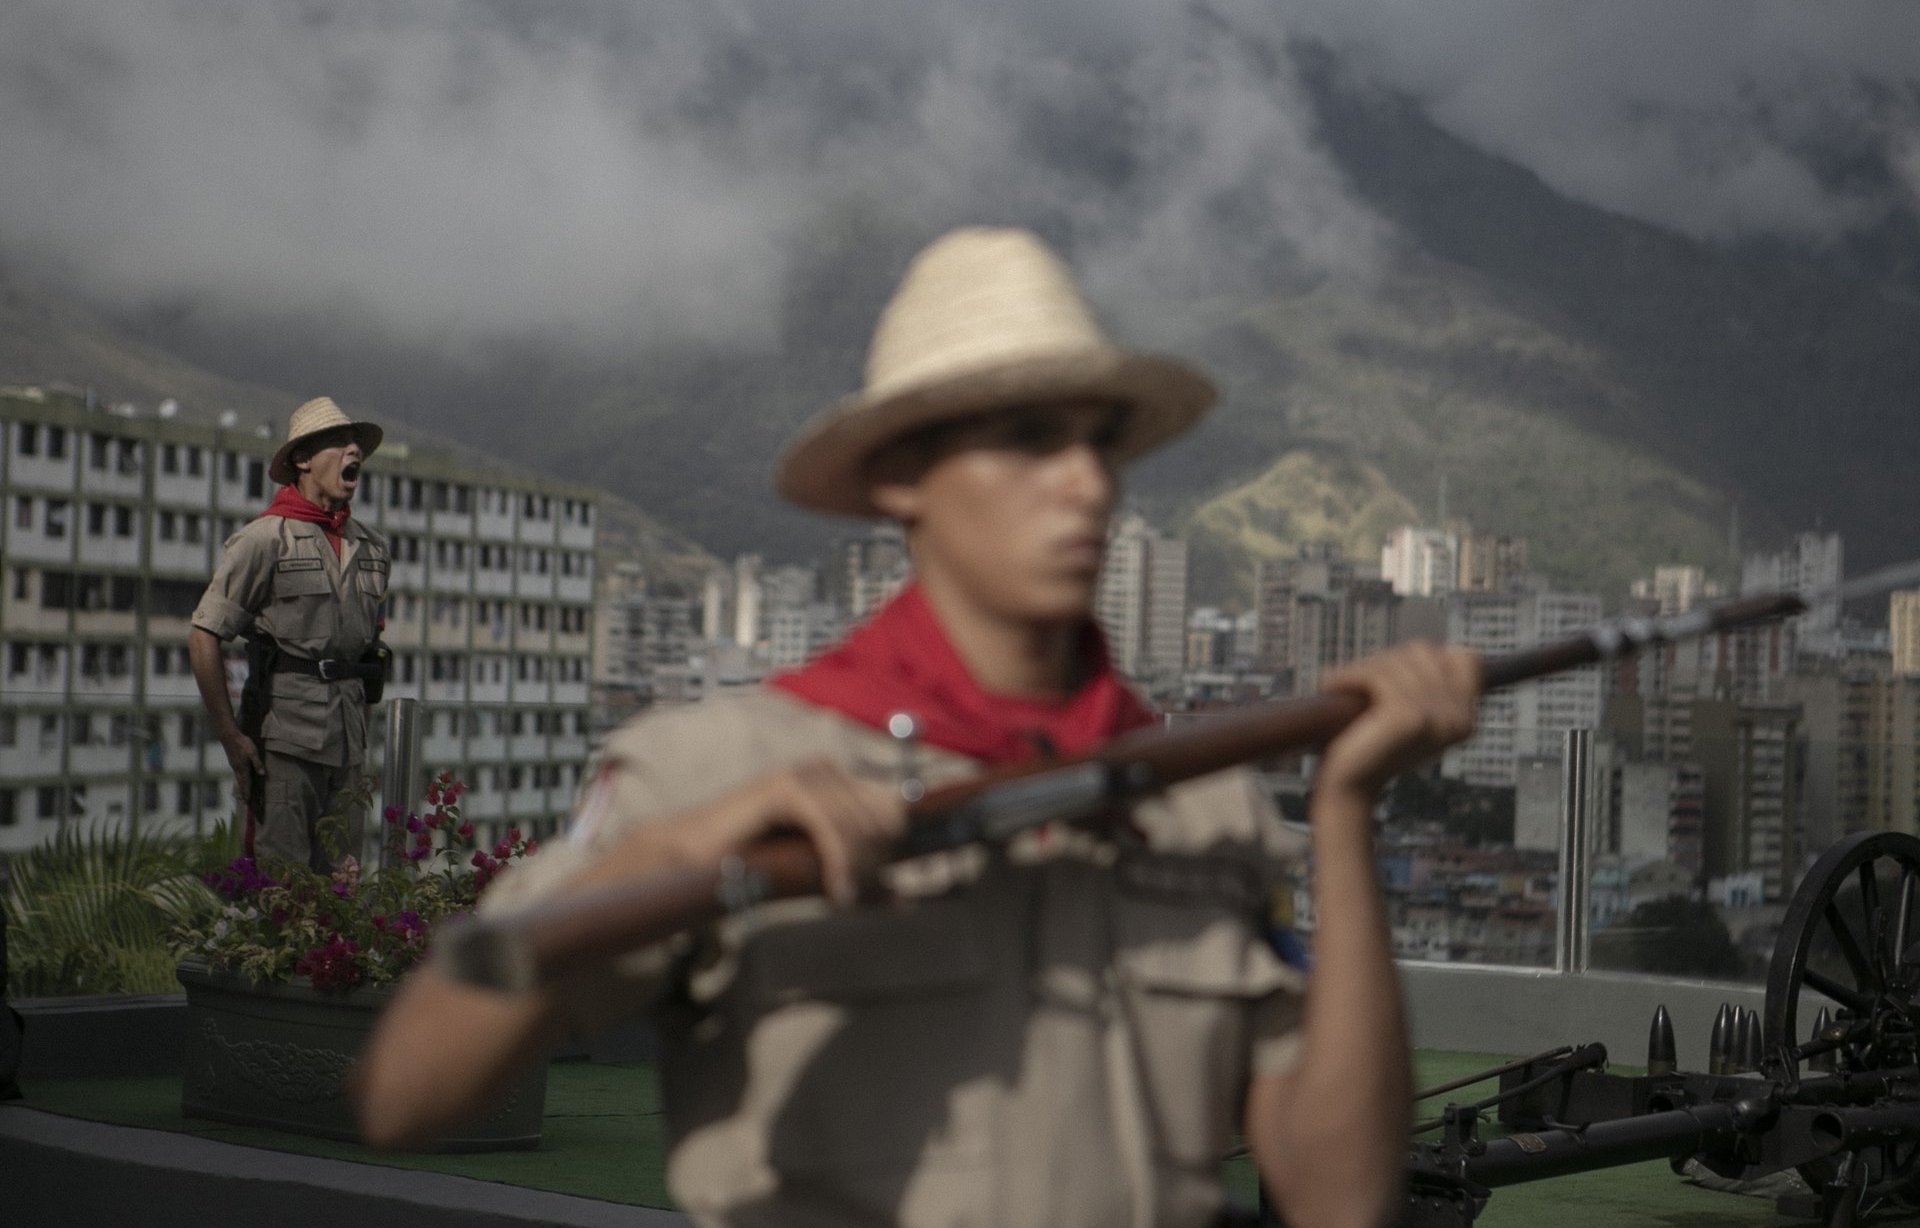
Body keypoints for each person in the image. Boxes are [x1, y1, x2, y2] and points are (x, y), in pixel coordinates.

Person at [352, 228, 1481, 1228]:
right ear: (900, 474)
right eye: (1031, 437)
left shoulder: (1203, 803)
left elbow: (1339, 1198)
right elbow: (407, 1093)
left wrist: (1344, 808)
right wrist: (671, 852)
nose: (1088, 482)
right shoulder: (714, 768)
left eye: (1101, 441)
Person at [189, 396, 390, 871]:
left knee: (343, 885)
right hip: (283, 743)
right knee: (281, 890)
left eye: (356, 443)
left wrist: (360, 731)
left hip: (348, 746)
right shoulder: (264, 539)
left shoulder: (373, 549)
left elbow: (370, 651)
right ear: (302, 459)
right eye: (338, 443)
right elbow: (203, 635)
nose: (352, 451)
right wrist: (229, 735)